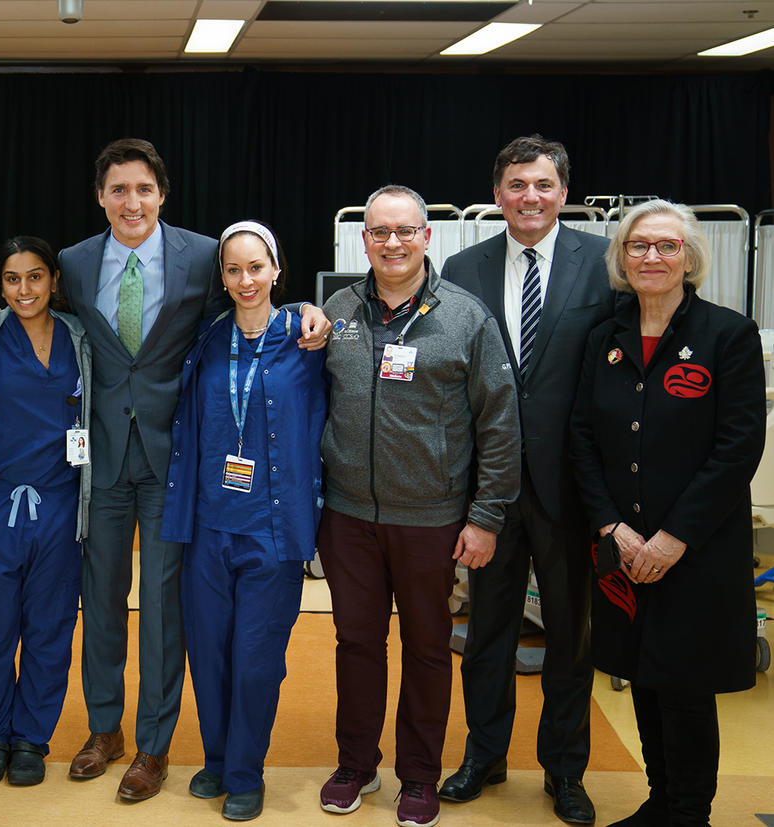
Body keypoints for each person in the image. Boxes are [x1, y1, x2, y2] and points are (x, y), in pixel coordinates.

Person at [58, 138, 327, 801]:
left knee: (164, 607)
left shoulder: (205, 254)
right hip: (102, 457)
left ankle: (153, 745)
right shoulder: (72, 261)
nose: (131, 201)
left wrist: (308, 314)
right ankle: (103, 727)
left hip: (175, 461)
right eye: (118, 189)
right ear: (100, 196)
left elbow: (255, 304)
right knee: (100, 598)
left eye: (143, 189)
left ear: (163, 194)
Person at [316, 185, 520, 827]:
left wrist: (486, 516)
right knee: (355, 644)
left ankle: (420, 776)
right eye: (380, 232)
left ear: (427, 237)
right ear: (364, 239)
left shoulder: (465, 317)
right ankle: (355, 765)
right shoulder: (337, 311)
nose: (393, 243)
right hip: (348, 518)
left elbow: (500, 424)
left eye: (406, 231)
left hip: (432, 520)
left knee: (428, 649)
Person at [569, 200, 764, 827]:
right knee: (641, 674)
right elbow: (581, 437)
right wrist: (611, 527)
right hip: (622, 547)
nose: (651, 257)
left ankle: (689, 813)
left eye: (666, 246)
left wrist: (672, 539)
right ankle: (659, 801)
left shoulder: (727, 335)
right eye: (639, 246)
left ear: (689, 257)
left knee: (684, 686)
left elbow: (738, 449)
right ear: (622, 258)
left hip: (695, 551)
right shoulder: (606, 336)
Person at [439, 135, 614, 824]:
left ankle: (565, 770)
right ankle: (484, 755)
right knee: (487, 631)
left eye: (542, 184)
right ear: (498, 192)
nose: (530, 197)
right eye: (516, 184)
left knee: (571, 635)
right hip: (489, 489)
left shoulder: (603, 264)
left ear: (563, 192)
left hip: (572, 488)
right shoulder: (462, 266)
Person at [161, 222, 327, 821]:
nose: (246, 280)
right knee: (208, 652)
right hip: (207, 524)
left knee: (256, 657)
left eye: (257, 267)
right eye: (234, 269)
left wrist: (316, 310)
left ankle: (246, 772)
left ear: (277, 269)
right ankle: (216, 759)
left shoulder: (308, 337)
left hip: (273, 531)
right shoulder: (207, 338)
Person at [0, 237, 91, 788]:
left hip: (60, 501)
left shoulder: (79, 338)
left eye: (35, 277)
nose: (24, 290)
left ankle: (31, 737)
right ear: (1, 285)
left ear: (54, 280)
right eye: (12, 279)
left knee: (50, 624)